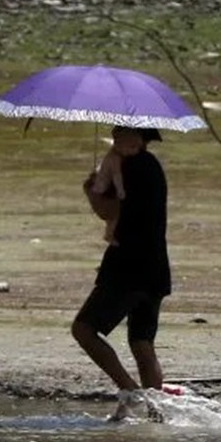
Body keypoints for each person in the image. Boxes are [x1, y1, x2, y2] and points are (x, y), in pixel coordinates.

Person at [71, 125, 170, 421]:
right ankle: (156, 414)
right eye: (116, 135)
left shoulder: (128, 166)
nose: (117, 140)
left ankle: (130, 391)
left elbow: (110, 210)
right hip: (154, 265)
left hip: (128, 264)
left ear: (140, 138)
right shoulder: (152, 165)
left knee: (84, 329)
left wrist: (91, 192)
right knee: (141, 342)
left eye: (124, 135)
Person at [90, 144, 126, 245]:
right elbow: (116, 176)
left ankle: (110, 233)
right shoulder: (115, 158)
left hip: (98, 191)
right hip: (101, 194)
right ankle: (109, 235)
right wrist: (121, 191)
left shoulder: (110, 156)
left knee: (112, 216)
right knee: (115, 214)